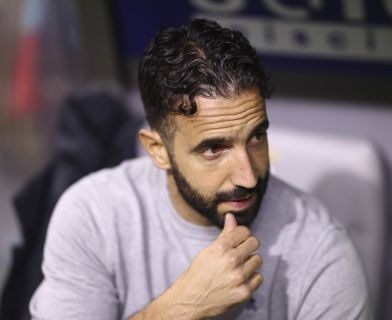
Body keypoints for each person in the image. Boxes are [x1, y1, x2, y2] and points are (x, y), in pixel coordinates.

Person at [29, 19, 371, 319]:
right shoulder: (92, 215)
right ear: (158, 150)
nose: (248, 176)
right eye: (213, 149)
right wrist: (181, 308)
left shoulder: (320, 250)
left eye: (256, 137)